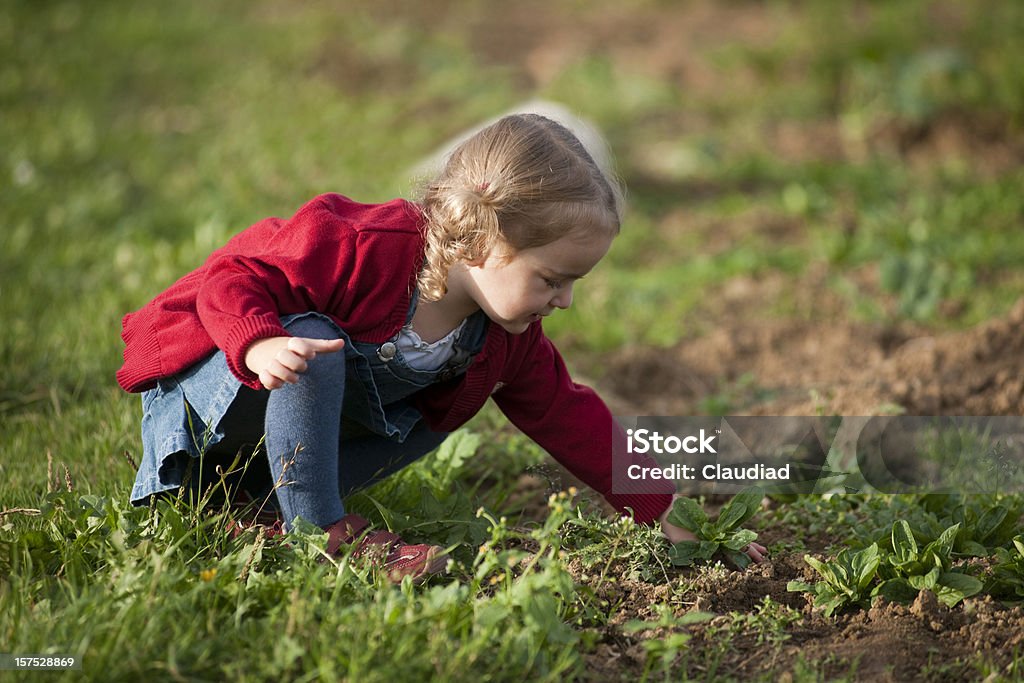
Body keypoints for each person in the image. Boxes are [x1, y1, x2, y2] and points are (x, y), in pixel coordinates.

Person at [117, 113, 767, 582]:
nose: (564, 300)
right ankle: (321, 538)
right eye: (552, 278)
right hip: (210, 410)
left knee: (452, 401)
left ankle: (259, 510)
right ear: (483, 241)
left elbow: (571, 417)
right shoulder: (363, 245)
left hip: (269, 453)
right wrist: (256, 342)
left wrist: (664, 512)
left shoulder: (504, 342)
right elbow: (235, 273)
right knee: (313, 341)